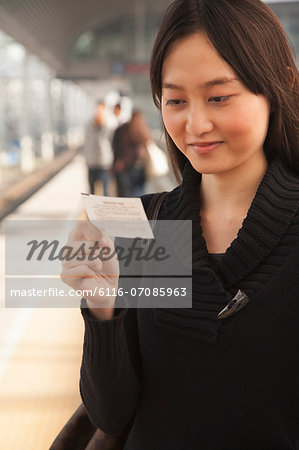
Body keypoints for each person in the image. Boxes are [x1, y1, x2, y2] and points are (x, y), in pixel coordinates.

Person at [61, 0, 299, 448]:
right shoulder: (142, 226)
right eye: (175, 100)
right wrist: (102, 307)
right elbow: (111, 414)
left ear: (279, 85)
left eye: (219, 97)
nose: (196, 124)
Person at [112, 110, 150, 197]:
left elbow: (117, 148)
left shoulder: (124, 130)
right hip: (140, 168)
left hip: (126, 167)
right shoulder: (144, 131)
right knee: (140, 194)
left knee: (126, 194)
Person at [84, 100, 114, 195]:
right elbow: (87, 143)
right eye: (97, 109)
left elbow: (111, 143)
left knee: (105, 191)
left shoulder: (108, 126)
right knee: (91, 192)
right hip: (91, 163)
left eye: (101, 109)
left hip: (104, 163)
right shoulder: (88, 125)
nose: (98, 112)